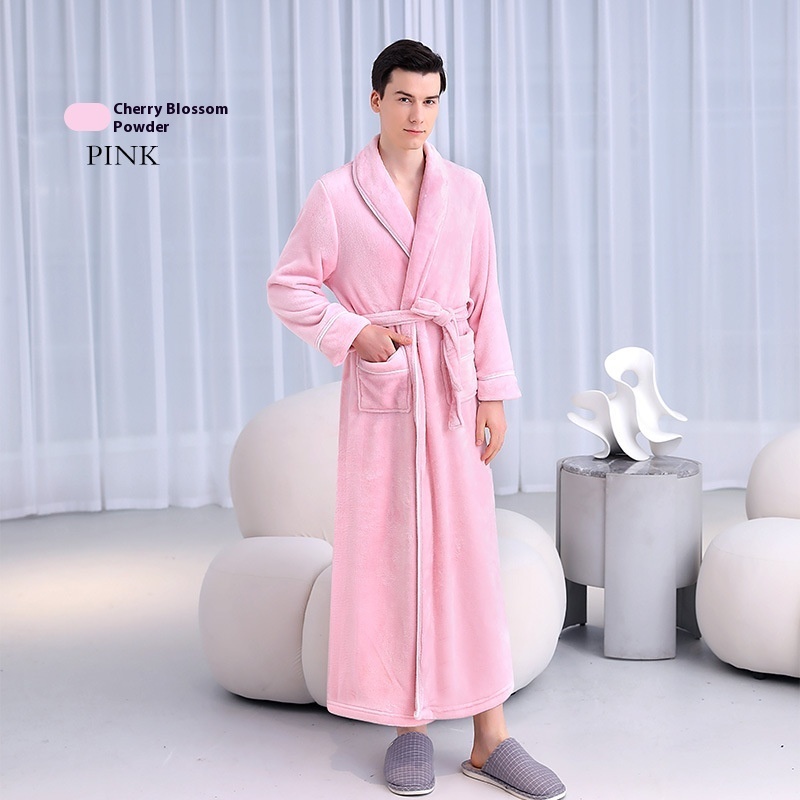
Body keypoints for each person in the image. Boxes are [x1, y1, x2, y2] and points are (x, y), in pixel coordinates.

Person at [267, 39, 565, 800]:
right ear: (376, 101)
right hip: (385, 393)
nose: (418, 115)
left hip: (453, 390)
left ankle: (491, 737)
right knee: (392, 559)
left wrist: (492, 391)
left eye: (430, 100)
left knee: (467, 556)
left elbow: (485, 296)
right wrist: (353, 332)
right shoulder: (337, 195)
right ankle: (410, 727)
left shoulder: (466, 190)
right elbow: (289, 285)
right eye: (403, 99)